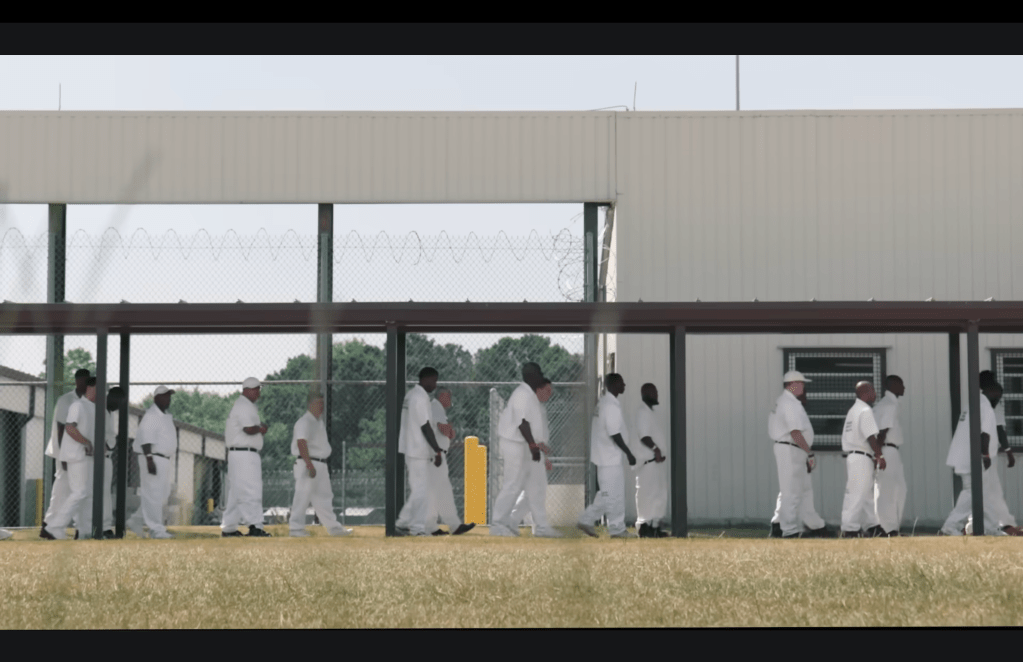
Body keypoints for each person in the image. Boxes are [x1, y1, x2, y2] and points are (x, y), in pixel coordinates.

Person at [490, 363, 554, 537]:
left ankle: (541, 527)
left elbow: (530, 425)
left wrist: (537, 445)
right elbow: (522, 423)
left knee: (534, 486)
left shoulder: (529, 395)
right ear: (531, 376)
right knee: (512, 484)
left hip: (524, 444)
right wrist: (533, 446)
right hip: (516, 443)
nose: (541, 375)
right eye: (538, 373)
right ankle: (498, 524)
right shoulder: (522, 394)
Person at [42, 377, 110, 540]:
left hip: (87, 458)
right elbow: (70, 428)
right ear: (90, 388)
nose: (104, 394)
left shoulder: (95, 409)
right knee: (80, 492)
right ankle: (54, 526)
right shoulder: (77, 406)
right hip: (75, 457)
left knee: (86, 494)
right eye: (101, 389)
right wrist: (86, 443)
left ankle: (83, 530)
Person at [768, 371, 829, 539]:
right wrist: (808, 452)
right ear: (792, 384)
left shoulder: (785, 401)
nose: (804, 387)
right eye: (801, 383)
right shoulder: (790, 403)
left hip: (790, 448)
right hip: (791, 448)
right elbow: (795, 432)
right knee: (792, 491)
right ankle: (789, 531)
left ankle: (779, 524)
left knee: (790, 489)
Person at [578, 373, 638, 539]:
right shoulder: (611, 406)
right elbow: (614, 433)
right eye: (621, 383)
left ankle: (586, 519)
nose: (624, 385)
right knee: (614, 496)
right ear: (613, 385)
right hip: (610, 458)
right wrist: (629, 453)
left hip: (604, 457)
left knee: (606, 494)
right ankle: (617, 530)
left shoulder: (603, 403)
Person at [288, 393, 351, 537]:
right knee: (302, 496)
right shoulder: (304, 422)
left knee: (324, 498)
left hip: (321, 464)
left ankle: (334, 529)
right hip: (308, 463)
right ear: (310, 404)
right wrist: (309, 465)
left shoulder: (318, 422)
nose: (321, 407)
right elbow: (301, 443)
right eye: (318, 403)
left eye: (322, 403)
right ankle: (296, 529)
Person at [506, 378, 562, 537]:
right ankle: (541, 528)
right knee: (536, 491)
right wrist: (540, 448)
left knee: (533, 492)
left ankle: (511, 521)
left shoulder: (538, 407)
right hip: (529, 454)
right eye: (548, 391)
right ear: (539, 389)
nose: (550, 394)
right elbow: (526, 431)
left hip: (535, 455)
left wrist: (544, 457)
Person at [40, 368, 90, 539]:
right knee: (62, 489)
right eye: (81, 380)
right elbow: (62, 428)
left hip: (77, 454)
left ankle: (61, 527)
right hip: (64, 453)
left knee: (73, 490)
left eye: (87, 381)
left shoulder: (87, 402)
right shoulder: (66, 400)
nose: (84, 384)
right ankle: (49, 526)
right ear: (76, 381)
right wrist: (63, 456)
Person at [395, 367, 445, 536]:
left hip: (411, 448)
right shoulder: (421, 398)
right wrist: (437, 449)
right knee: (421, 491)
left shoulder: (410, 395)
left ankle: (402, 523)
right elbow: (425, 426)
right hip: (418, 450)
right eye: (434, 380)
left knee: (419, 490)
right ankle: (416, 529)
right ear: (426, 379)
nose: (435, 385)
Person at [422, 387, 475, 536]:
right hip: (436, 458)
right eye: (449, 396)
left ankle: (432, 528)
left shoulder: (434, 407)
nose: (450, 400)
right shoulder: (436, 406)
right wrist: (450, 429)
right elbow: (446, 430)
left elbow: (446, 431)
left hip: (434, 457)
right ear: (442, 396)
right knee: (442, 493)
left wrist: (449, 430)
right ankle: (452, 526)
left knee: (435, 493)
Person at [126, 386, 178, 540]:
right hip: (153, 457)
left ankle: (136, 520)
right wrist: (149, 459)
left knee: (161, 495)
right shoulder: (151, 416)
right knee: (154, 494)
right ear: (156, 398)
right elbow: (145, 439)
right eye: (164, 396)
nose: (168, 399)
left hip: (163, 459)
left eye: (169, 396)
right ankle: (156, 530)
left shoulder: (164, 416)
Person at [221, 377, 271, 537]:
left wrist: (259, 427)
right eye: (256, 389)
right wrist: (261, 429)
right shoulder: (244, 405)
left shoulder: (244, 405)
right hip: (244, 454)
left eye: (258, 389)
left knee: (237, 493)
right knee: (251, 490)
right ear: (247, 390)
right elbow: (248, 429)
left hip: (241, 454)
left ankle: (229, 528)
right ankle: (255, 526)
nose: (258, 392)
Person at [839, 382, 886, 538]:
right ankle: (850, 528)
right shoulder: (865, 410)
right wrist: (880, 455)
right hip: (861, 456)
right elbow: (871, 436)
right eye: (872, 390)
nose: (875, 393)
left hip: (856, 456)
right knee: (857, 493)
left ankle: (872, 526)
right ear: (865, 392)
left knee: (865, 494)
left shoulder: (853, 410)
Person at [872, 375, 907, 537]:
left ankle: (891, 527)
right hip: (887, 450)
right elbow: (882, 432)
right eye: (901, 384)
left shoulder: (887, 404)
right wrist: (878, 455)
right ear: (892, 385)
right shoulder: (889, 405)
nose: (904, 387)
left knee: (897, 489)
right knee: (889, 490)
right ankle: (886, 528)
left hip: (890, 450)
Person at [634, 383, 669, 538]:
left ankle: (655, 527)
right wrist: (656, 449)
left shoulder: (650, 412)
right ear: (646, 393)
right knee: (647, 495)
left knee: (659, 495)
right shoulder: (643, 412)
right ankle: (644, 526)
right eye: (654, 392)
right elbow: (644, 436)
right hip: (648, 462)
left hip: (656, 462)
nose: (657, 395)